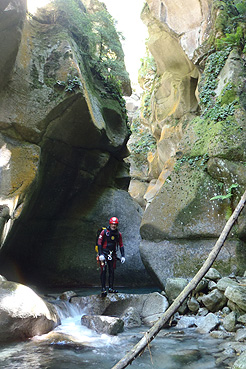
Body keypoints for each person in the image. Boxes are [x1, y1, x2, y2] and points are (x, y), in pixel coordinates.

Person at [97, 216, 125, 297]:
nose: (114, 226)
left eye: (115, 224)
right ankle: (103, 289)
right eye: (112, 224)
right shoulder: (104, 232)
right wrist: (101, 254)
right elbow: (99, 243)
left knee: (111, 271)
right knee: (104, 270)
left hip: (112, 254)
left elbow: (121, 245)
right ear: (110, 224)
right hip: (104, 254)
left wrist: (123, 256)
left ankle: (111, 288)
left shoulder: (118, 234)